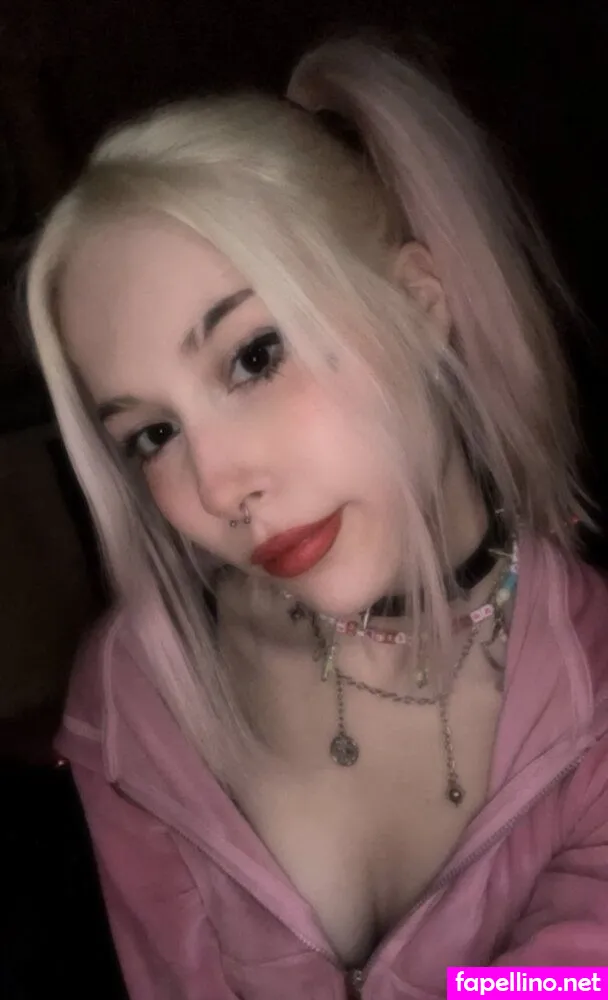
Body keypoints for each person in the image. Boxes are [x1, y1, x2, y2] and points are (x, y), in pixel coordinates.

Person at [26, 34, 608, 1000]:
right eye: (153, 434)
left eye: (254, 357)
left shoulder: (594, 691)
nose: (220, 487)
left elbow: (579, 980)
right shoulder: (142, 691)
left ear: (418, 303)